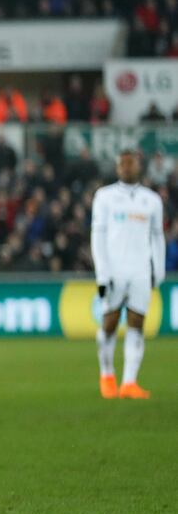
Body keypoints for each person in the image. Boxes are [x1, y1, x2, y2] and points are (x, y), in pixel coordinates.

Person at [90, 149, 166, 399]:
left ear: (138, 166)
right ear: (117, 168)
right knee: (110, 322)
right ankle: (107, 375)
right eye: (122, 163)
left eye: (130, 163)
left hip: (140, 270)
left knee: (137, 322)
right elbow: (98, 236)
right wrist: (102, 273)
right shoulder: (105, 197)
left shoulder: (151, 200)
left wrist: (158, 268)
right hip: (114, 270)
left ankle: (129, 382)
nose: (126, 167)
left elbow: (157, 236)